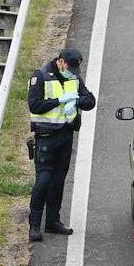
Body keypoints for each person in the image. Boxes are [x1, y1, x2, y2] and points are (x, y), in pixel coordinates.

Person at [27, 47, 96, 242]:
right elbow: (35, 105)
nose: (72, 72)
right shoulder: (41, 76)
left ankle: (53, 221)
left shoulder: (74, 78)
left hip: (65, 136)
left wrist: (76, 101)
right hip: (46, 137)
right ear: (61, 61)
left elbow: (90, 101)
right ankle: (34, 224)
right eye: (69, 67)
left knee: (58, 181)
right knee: (43, 181)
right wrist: (59, 101)